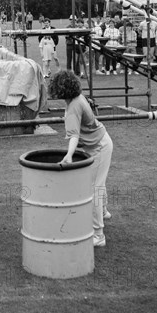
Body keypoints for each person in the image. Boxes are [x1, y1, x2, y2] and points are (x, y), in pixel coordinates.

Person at [49, 71, 113, 247]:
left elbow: (74, 136)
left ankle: (98, 235)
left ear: (61, 89)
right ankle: (104, 212)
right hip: (101, 142)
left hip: (99, 146)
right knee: (99, 183)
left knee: (93, 189)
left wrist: (69, 155)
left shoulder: (73, 107)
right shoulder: (77, 98)